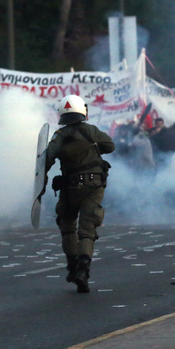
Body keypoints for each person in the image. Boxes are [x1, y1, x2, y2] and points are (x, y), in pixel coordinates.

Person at [44, 94, 115, 293]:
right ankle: (83, 269)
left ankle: (72, 265)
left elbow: (48, 157)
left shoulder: (60, 135)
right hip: (94, 186)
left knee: (67, 225)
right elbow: (110, 146)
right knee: (88, 228)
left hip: (70, 188)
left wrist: (42, 180)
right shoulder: (91, 131)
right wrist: (93, 146)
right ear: (82, 111)